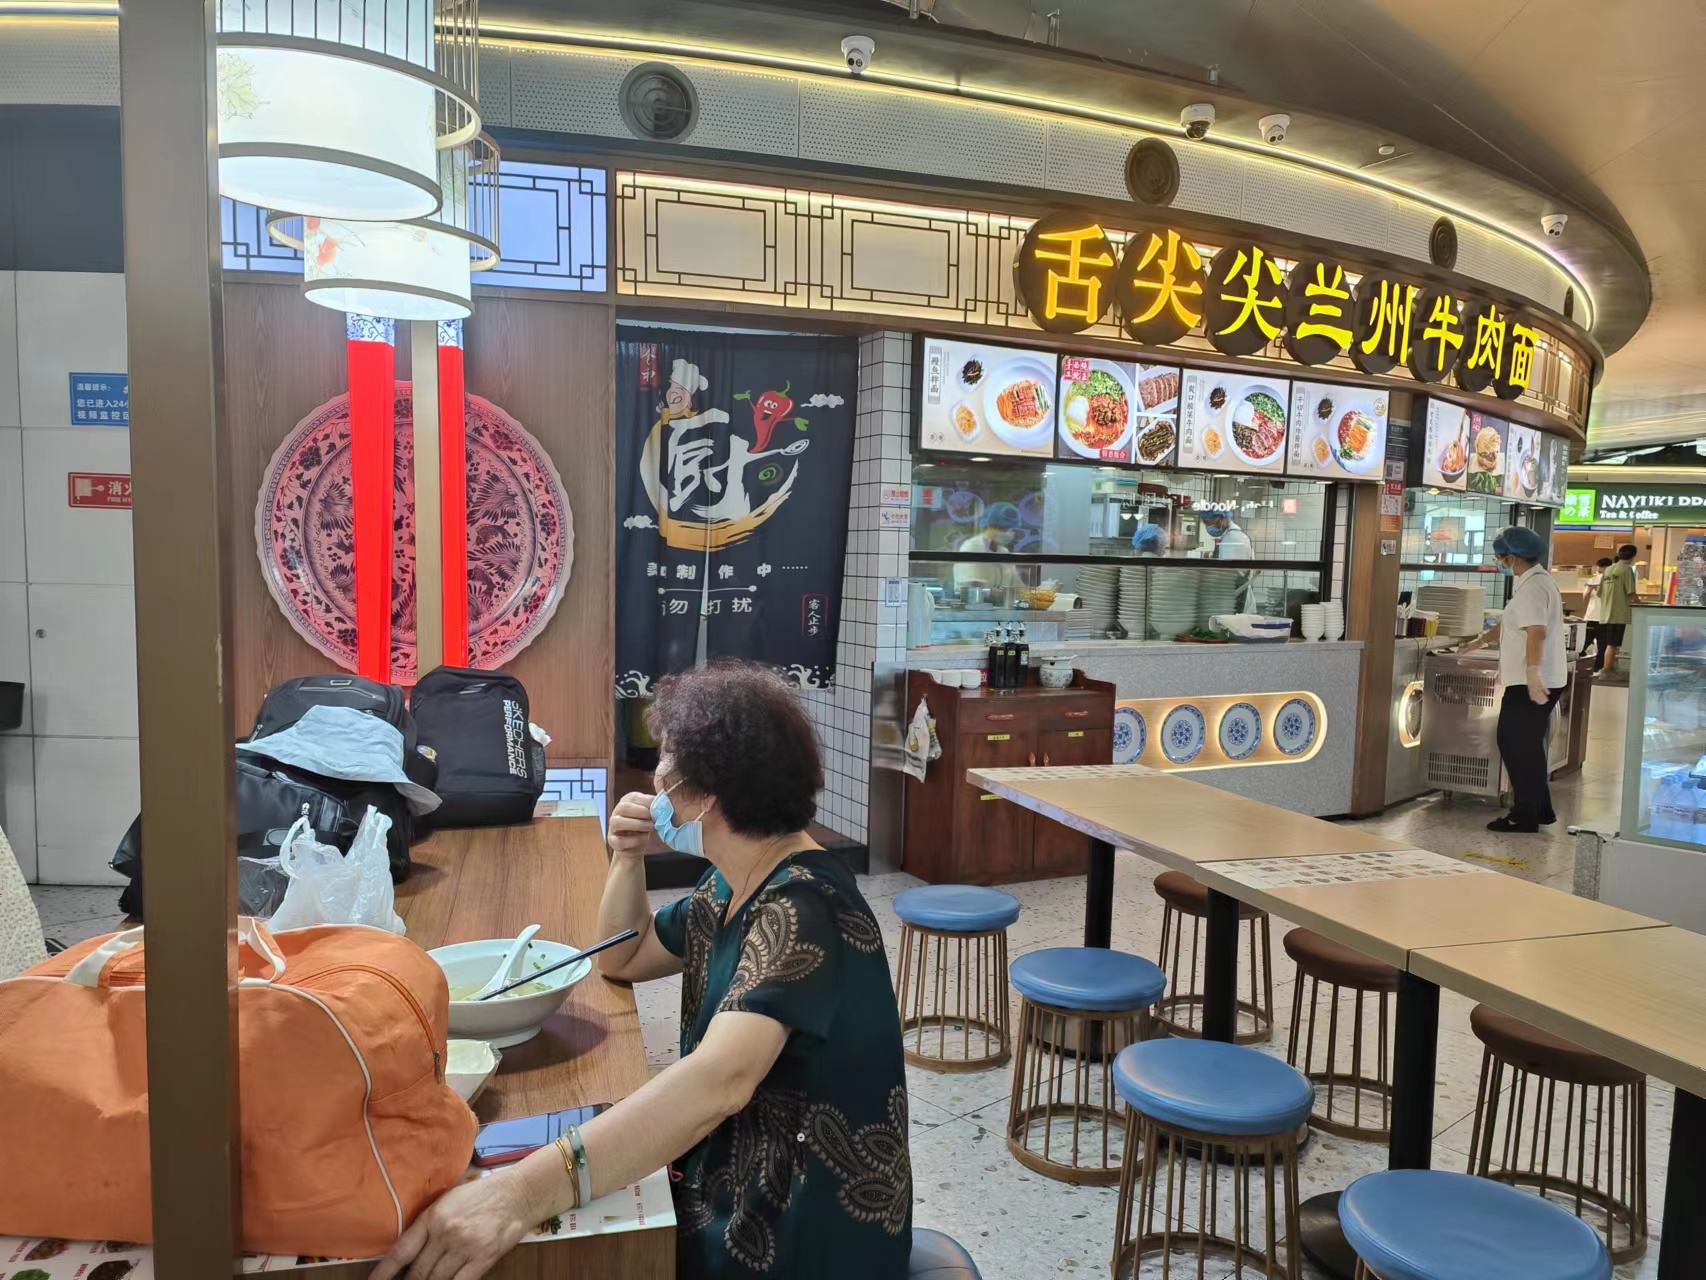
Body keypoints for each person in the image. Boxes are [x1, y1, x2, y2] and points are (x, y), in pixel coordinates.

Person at [375, 662, 912, 1280]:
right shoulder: (731, 883)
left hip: (801, 1230)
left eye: (666, 764)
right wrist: (627, 858)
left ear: (705, 793)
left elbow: (720, 1081)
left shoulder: (804, 906)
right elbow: (623, 957)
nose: (657, 781)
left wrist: (523, 1192)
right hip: (734, 1178)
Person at [1461, 526, 1568, 833]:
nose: (1499, 562)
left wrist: (1533, 673)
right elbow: (1513, 623)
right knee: (1524, 744)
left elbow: (1537, 632)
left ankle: (1524, 816)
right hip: (1535, 679)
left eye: (1500, 557)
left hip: (1530, 683)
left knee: (1517, 745)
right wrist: (1480, 641)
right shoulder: (1534, 581)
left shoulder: (1533, 588)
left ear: (1512, 558)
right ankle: (1538, 810)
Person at [951, 501, 1025, 593]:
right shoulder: (972, 547)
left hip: (999, 602)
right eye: (1003, 529)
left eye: (1011, 530)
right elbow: (974, 587)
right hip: (973, 601)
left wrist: (1031, 594)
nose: (1009, 533)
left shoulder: (1003, 552)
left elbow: (1017, 584)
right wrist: (999, 594)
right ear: (990, 525)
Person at [1596, 543, 1639, 678]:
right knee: (1613, 644)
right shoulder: (1626, 570)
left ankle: (1609, 669)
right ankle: (1607, 671)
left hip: (1605, 613)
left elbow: (1599, 592)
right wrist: (1642, 604)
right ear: (1633, 556)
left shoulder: (1608, 569)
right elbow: (1631, 594)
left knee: (1609, 643)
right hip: (1618, 613)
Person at [1581, 556, 1613, 669]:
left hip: (1604, 617)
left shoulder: (1611, 581)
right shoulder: (1592, 580)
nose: (1600, 572)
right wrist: (1590, 589)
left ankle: (1598, 668)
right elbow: (1585, 598)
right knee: (1583, 644)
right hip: (1590, 617)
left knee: (1602, 646)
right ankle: (1581, 666)